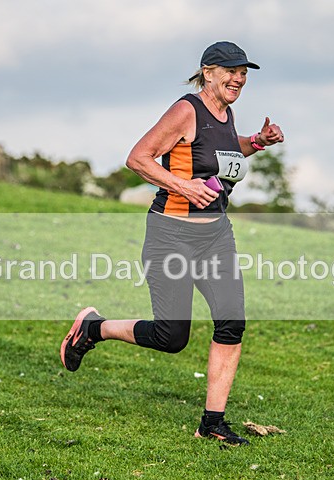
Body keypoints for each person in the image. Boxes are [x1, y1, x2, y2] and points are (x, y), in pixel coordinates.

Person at [60, 41, 284, 446]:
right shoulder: (186, 110)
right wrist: (184, 186)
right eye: (231, 72)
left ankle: (212, 422)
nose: (238, 79)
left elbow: (223, 156)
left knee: (231, 323)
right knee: (171, 337)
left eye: (243, 74)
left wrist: (257, 141)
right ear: (208, 72)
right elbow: (139, 158)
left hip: (215, 234)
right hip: (172, 235)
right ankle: (94, 328)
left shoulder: (225, 113)